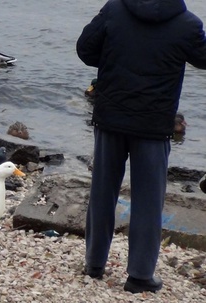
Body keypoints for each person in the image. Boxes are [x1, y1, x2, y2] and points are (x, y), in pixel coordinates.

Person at [76, 0, 206, 294]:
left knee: (103, 190)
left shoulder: (114, 9)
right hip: (153, 125)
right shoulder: (188, 24)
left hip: (111, 116)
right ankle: (140, 276)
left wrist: (118, 57)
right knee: (148, 200)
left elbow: (85, 50)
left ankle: (95, 264)